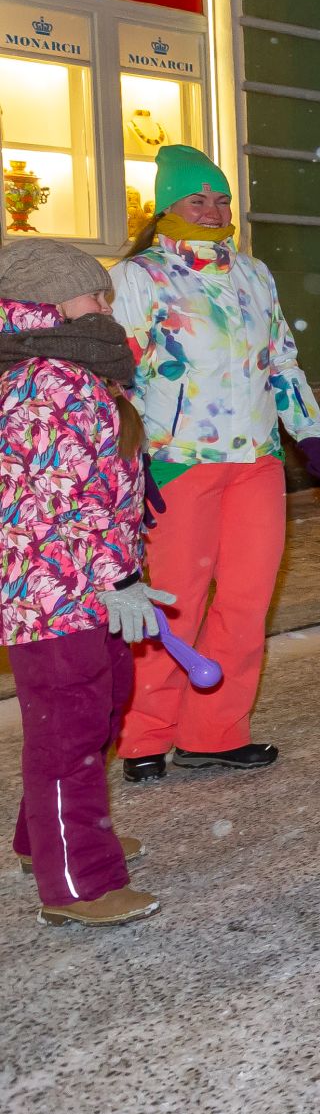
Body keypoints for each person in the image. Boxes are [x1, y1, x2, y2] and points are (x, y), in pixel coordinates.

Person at [110, 145, 320, 782]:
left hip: (257, 460)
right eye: (197, 199)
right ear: (165, 209)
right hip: (177, 463)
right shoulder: (141, 278)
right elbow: (120, 378)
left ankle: (214, 731)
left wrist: (308, 431)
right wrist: (133, 461)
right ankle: (145, 734)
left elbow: (282, 360)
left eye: (221, 198)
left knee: (246, 599)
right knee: (171, 604)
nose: (213, 211)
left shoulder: (254, 275)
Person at [2, 239, 171, 926]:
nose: (106, 305)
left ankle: (47, 839)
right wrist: (116, 576)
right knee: (69, 724)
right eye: (93, 295)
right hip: (48, 591)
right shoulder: (47, 380)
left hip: (85, 583)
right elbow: (54, 499)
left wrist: (122, 569)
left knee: (101, 706)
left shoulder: (80, 370)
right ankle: (79, 883)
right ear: (46, 304)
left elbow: (105, 485)